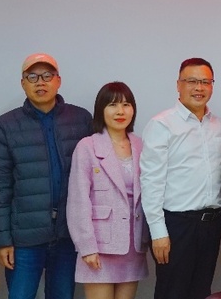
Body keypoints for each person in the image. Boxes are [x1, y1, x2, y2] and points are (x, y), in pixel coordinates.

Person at [0, 53, 93, 299]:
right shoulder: (5, 125)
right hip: (24, 238)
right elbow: (0, 187)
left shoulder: (81, 120)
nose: (40, 82)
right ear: (23, 83)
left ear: (58, 81)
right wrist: (3, 240)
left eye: (47, 76)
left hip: (68, 234)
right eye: (32, 77)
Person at [140, 58, 221, 299]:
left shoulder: (220, 127)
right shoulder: (162, 124)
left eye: (205, 82)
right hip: (176, 226)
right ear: (178, 85)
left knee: (202, 292)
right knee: (173, 292)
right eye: (192, 81)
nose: (199, 88)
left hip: (211, 224)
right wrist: (158, 232)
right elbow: (151, 182)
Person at [66, 82, 148, 299]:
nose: (120, 111)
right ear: (101, 110)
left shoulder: (142, 146)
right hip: (100, 246)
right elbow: (78, 201)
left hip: (133, 246)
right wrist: (87, 247)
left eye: (126, 104)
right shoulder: (87, 146)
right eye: (112, 105)